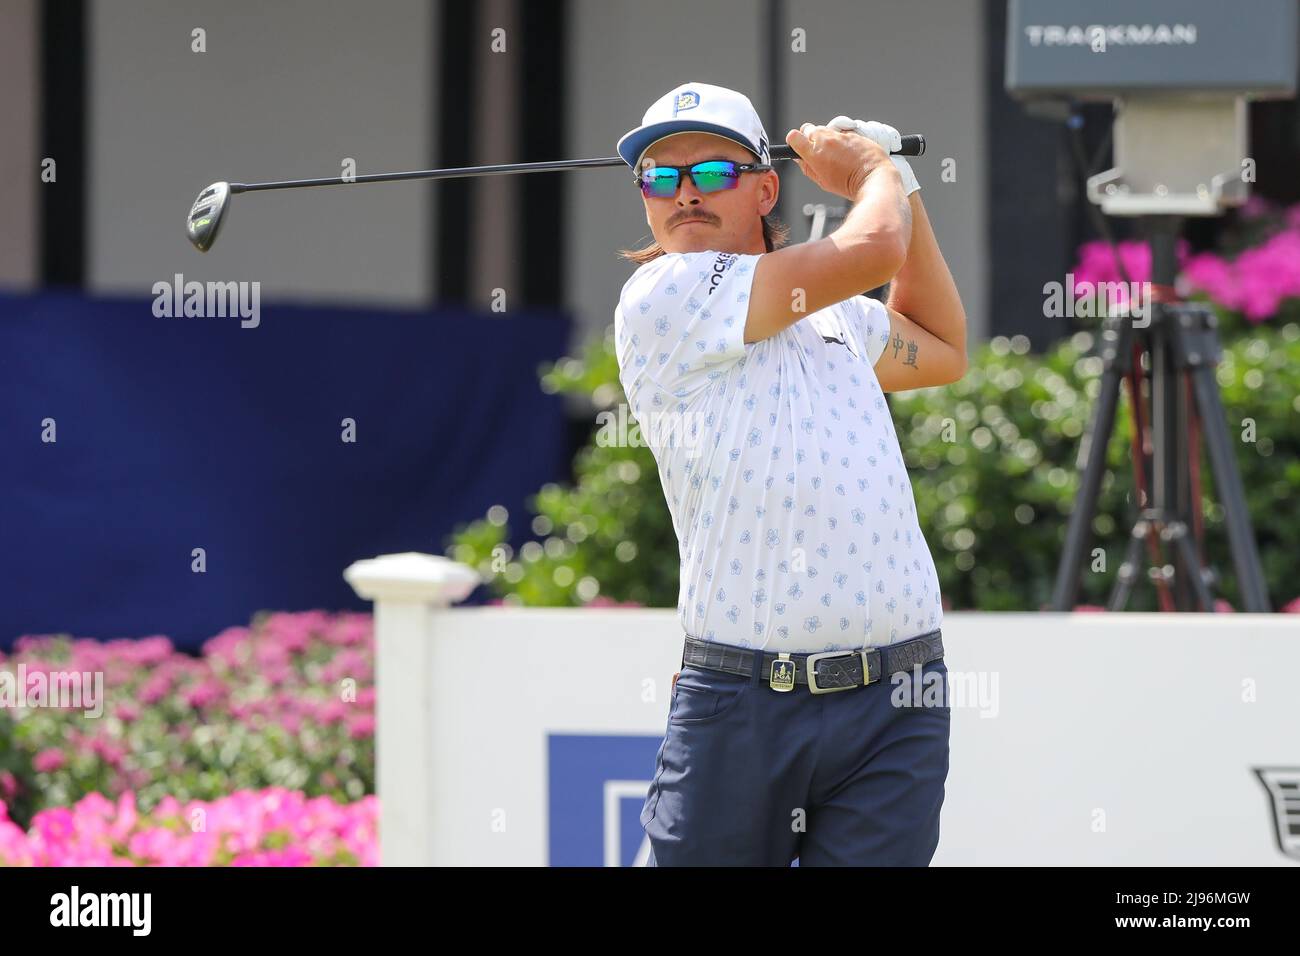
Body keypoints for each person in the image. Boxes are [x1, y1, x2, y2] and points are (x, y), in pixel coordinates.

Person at [613, 82, 968, 866]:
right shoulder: (661, 296)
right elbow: (873, 249)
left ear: (767, 187)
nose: (684, 195)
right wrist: (872, 171)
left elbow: (941, 346)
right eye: (660, 178)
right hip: (742, 702)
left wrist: (900, 186)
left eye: (711, 173)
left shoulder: (832, 312)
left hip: (898, 698)